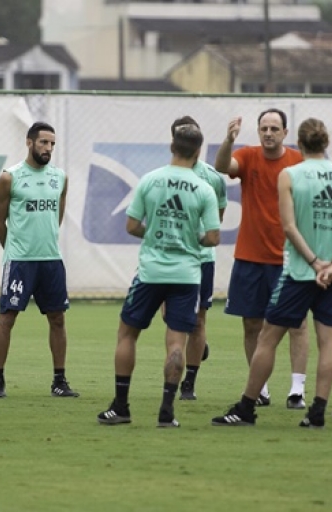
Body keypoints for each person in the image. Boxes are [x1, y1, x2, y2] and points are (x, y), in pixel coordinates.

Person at [213, 118, 332, 428]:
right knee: (327, 342)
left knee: (268, 338)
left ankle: (246, 408)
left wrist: (314, 262)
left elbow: (289, 227)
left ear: (297, 142)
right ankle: (317, 411)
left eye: (273, 128)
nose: (268, 133)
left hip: (298, 272)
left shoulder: (290, 174)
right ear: (326, 142)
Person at [97, 121, 221, 428]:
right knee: (176, 343)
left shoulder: (150, 181)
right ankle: (167, 410)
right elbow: (213, 238)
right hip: (187, 274)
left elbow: (131, 225)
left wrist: (154, 235)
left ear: (172, 147)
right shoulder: (204, 188)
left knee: (127, 334)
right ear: (198, 152)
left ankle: (121, 406)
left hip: (151, 271)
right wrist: (191, 240)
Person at [214, 108, 310, 408]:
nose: (268, 133)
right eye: (264, 128)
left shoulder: (298, 161)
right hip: (250, 257)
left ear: (285, 132)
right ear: (258, 132)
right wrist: (229, 140)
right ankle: (261, 388)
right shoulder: (247, 156)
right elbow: (221, 166)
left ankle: (297, 389)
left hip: (289, 259)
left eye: (274, 128)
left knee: (297, 325)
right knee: (251, 325)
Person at [0, 121, 79, 399]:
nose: (48, 148)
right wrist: (14, 250)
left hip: (51, 260)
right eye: (43, 142)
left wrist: (44, 241)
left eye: (52, 144)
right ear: (29, 143)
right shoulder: (9, 177)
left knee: (58, 319)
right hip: (19, 262)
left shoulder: (60, 178)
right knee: (7, 318)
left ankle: (59, 381)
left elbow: (57, 217)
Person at [170, 116, 227, 401]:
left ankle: (188, 383)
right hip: (169, 257)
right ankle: (197, 345)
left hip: (201, 259)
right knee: (171, 317)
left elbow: (218, 219)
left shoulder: (212, 178)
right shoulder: (163, 176)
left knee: (199, 319)